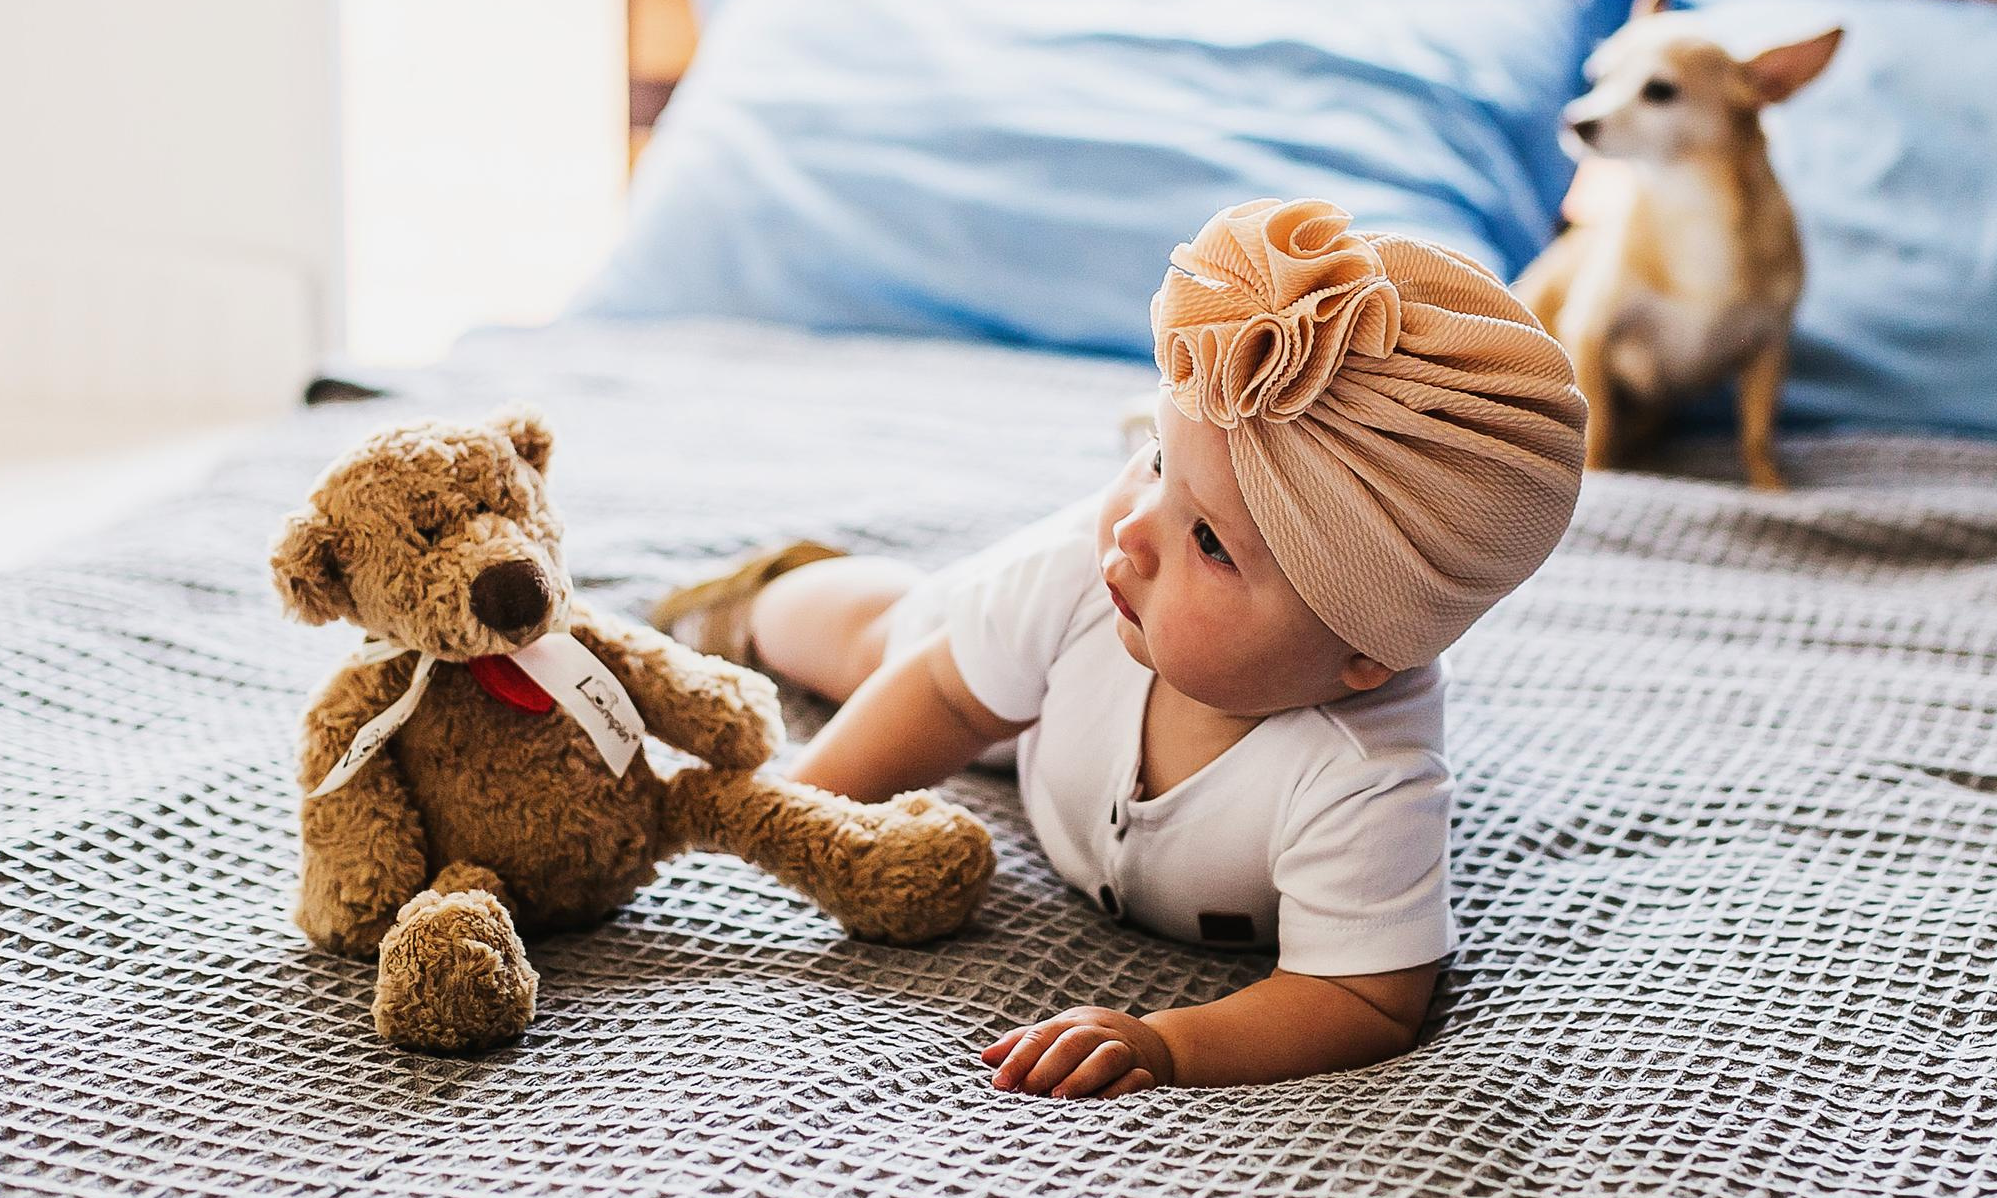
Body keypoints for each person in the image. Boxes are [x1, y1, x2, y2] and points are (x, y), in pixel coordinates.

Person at [654, 198, 1588, 1096]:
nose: (1135, 530)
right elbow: (940, 692)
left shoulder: (1366, 777)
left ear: (1366, 655)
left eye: (1211, 541)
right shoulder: (1085, 570)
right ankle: (766, 593)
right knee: (890, 641)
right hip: (1047, 676)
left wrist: (1167, 1043)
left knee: (983, 681)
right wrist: (796, 811)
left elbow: (1360, 1000)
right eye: (1156, 459)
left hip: (1068, 722)